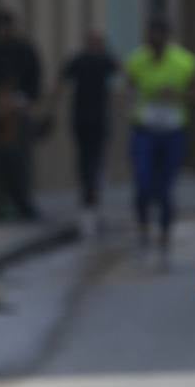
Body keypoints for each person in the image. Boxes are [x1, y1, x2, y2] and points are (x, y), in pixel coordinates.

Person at [124, 16, 195, 270]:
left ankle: (164, 240)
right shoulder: (136, 61)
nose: (155, 42)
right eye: (150, 37)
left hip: (172, 128)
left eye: (160, 37)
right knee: (143, 182)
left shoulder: (184, 62)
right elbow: (129, 88)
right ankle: (143, 231)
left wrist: (177, 95)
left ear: (167, 38)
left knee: (165, 187)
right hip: (145, 127)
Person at [51, 30, 119, 238]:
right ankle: (89, 198)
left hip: (94, 120)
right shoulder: (84, 61)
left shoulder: (93, 60)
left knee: (91, 161)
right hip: (86, 120)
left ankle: (91, 198)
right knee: (89, 161)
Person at [0, 9, 43, 219]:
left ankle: (21, 201)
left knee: (21, 160)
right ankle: (3, 202)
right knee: (1, 160)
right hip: (0, 115)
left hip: (19, 111)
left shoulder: (23, 51)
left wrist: (22, 100)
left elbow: (34, 81)